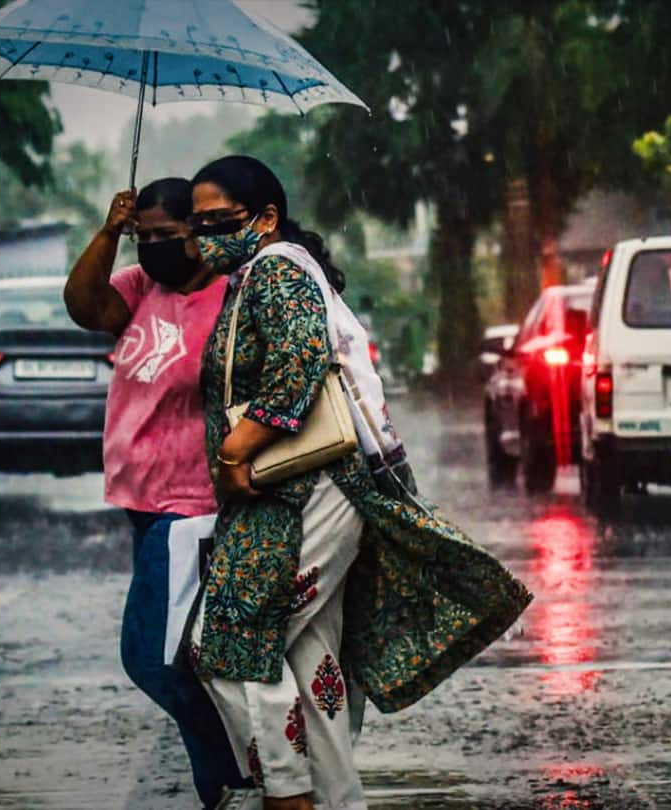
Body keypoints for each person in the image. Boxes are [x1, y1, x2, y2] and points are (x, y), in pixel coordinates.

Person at [180, 155, 532, 810]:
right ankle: (339, 800)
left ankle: (289, 796)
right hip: (300, 491)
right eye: (196, 225)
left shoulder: (277, 270)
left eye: (217, 222)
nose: (204, 236)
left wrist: (233, 457)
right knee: (312, 659)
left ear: (265, 219)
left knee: (227, 643)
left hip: (308, 487)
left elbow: (298, 366)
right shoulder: (261, 272)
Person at [63, 179, 244, 808]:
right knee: (184, 656)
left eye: (168, 235)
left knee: (151, 657)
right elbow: (84, 306)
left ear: (199, 232)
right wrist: (111, 231)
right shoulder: (141, 289)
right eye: (147, 237)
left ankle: (236, 767)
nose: (156, 249)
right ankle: (222, 782)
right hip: (140, 502)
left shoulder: (230, 297)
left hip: (192, 507)